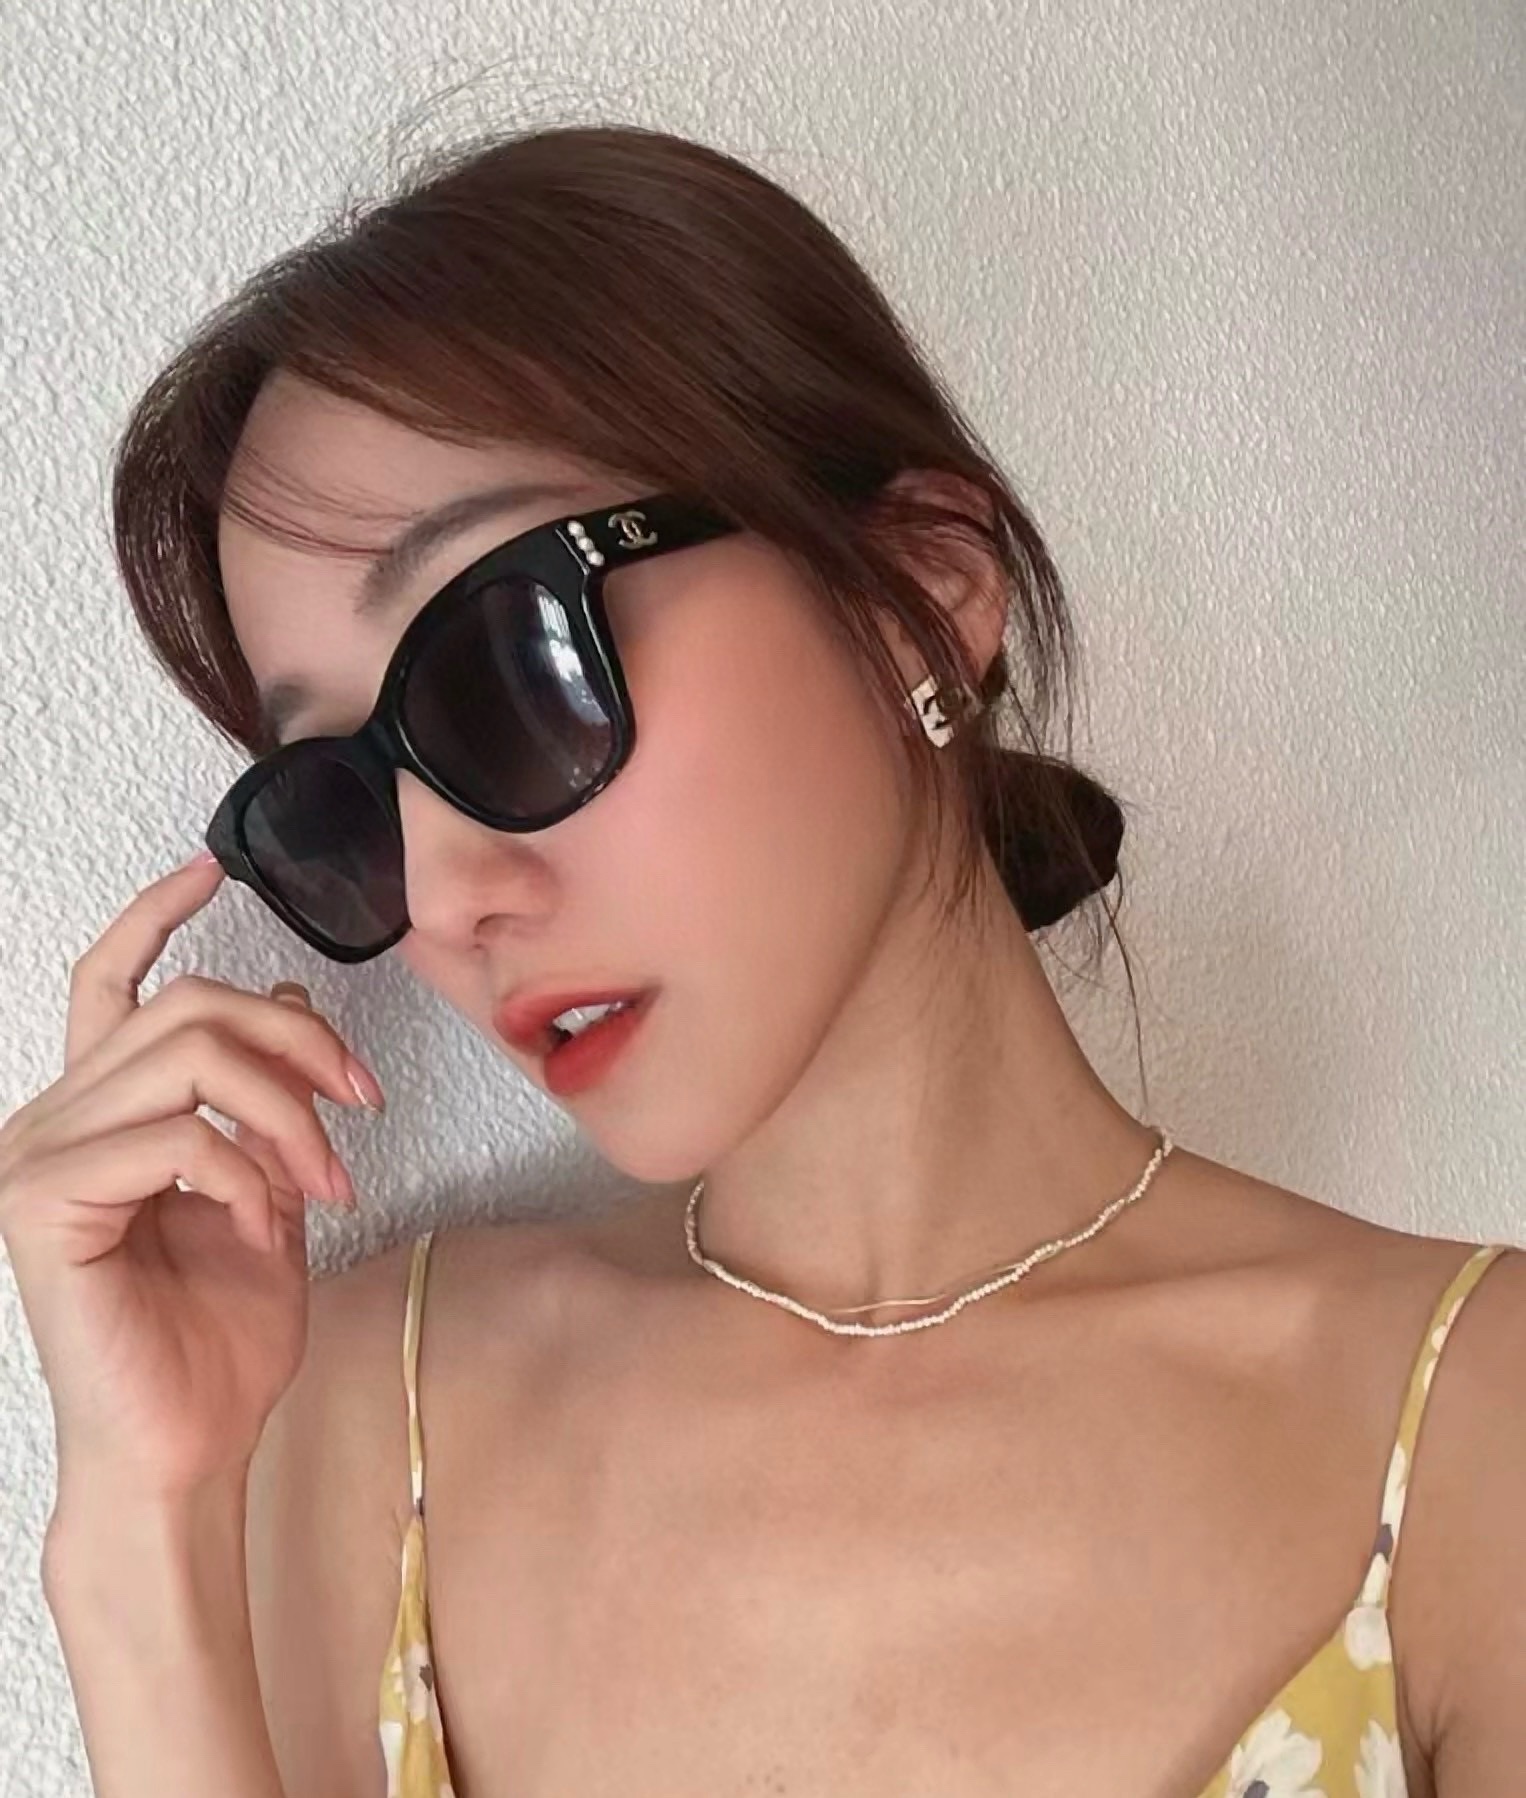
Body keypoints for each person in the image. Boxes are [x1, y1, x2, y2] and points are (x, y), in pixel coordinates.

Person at [1, 120, 1520, 1798]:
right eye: (340, 797)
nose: (442, 893)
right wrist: (139, 1529)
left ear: (920, 589)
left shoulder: (1465, 1435)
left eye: (509, 673)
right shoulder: (361, 1411)